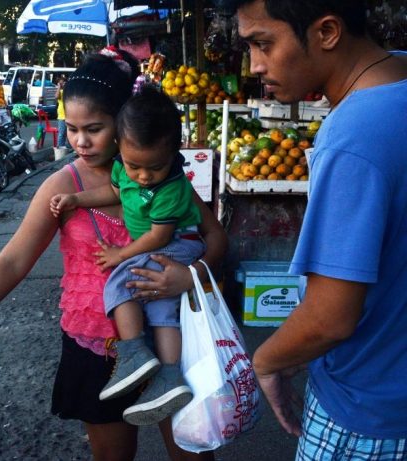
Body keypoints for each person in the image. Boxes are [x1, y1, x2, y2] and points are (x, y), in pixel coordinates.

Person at [0, 51, 224, 461]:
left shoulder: (160, 172)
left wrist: (192, 274)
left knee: (194, 451)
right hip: (98, 347)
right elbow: (13, 261)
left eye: (94, 128)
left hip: (175, 340)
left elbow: (215, 236)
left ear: (122, 122)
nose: (80, 141)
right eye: (71, 128)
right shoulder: (64, 184)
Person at [232, 0, 407, 458]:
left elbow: (329, 318)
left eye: (263, 43)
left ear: (327, 32)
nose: (254, 65)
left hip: (367, 412)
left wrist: (266, 361)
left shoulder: (355, 134)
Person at [50, 87, 203, 427]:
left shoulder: (172, 186)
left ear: (174, 152)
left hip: (177, 242)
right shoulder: (124, 168)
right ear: (121, 147)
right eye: (135, 167)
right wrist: (77, 199)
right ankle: (169, 374)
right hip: (164, 245)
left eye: (155, 168)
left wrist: (121, 254)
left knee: (122, 279)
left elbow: (158, 235)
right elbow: (114, 191)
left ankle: (133, 351)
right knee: (163, 308)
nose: (144, 177)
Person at [56, 77, 68, 149]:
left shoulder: (68, 91)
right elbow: (56, 97)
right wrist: (58, 87)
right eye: (61, 83)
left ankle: (69, 148)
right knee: (62, 133)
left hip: (69, 114)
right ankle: (60, 148)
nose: (62, 84)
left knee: (69, 133)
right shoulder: (60, 91)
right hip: (62, 115)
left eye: (63, 82)